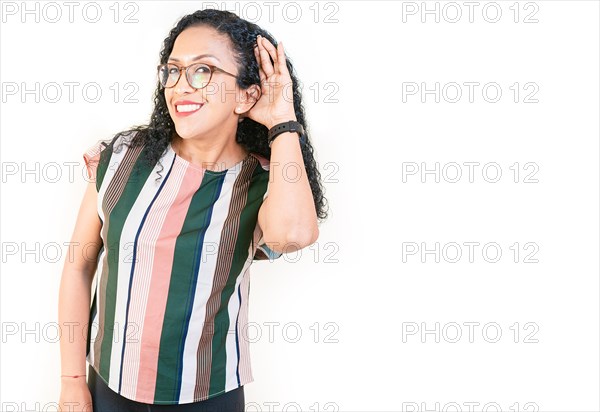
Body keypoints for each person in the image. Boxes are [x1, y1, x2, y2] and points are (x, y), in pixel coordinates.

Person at [57, 8, 328, 412]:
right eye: (174, 70)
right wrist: (73, 381)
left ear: (247, 95)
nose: (181, 86)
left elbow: (292, 234)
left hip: (208, 394)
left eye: (204, 71)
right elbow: (80, 266)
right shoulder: (122, 158)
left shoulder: (263, 181)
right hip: (108, 386)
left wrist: (282, 122)